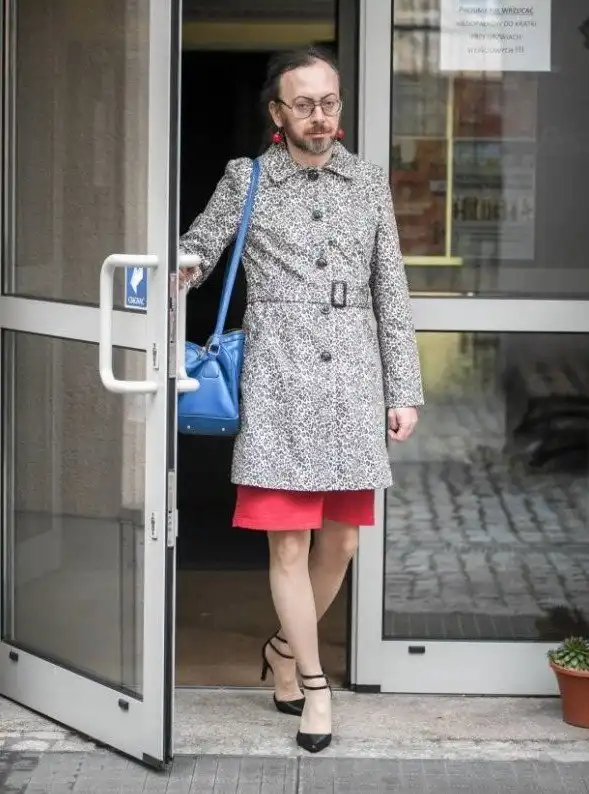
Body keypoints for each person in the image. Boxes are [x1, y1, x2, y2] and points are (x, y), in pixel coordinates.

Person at [179, 46, 423, 753]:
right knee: (287, 542)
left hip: (353, 377)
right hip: (280, 376)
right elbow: (202, 247)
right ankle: (314, 686)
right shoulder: (248, 177)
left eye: (329, 103)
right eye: (305, 105)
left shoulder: (366, 181)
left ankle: (283, 649)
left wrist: (403, 389)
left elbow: (391, 289)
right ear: (278, 112)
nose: (320, 117)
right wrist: (175, 271)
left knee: (340, 541)